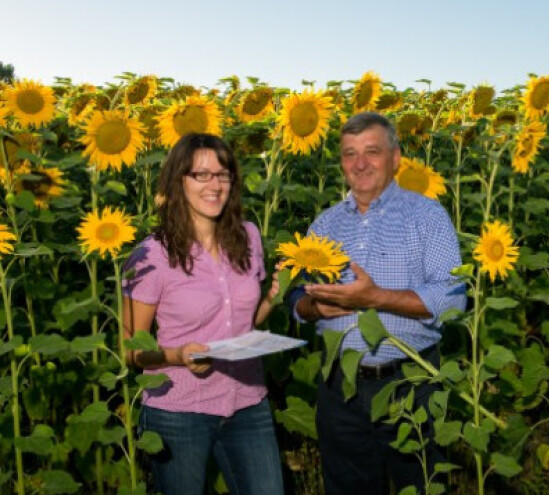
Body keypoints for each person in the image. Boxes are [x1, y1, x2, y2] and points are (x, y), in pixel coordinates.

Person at [289, 112, 466, 495]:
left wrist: (376, 298)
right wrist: (313, 308)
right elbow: (299, 299)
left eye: (372, 151)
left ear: (395, 157)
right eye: (350, 153)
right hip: (340, 389)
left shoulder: (427, 217)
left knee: (420, 484)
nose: (360, 163)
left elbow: (452, 298)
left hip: (410, 383)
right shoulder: (325, 225)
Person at [122, 133, 284, 495]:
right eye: (201, 175)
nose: (215, 185)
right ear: (179, 181)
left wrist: (271, 299)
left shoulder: (249, 236)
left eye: (223, 174)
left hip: (247, 402)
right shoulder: (151, 257)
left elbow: (248, 322)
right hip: (179, 410)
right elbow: (131, 351)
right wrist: (177, 356)